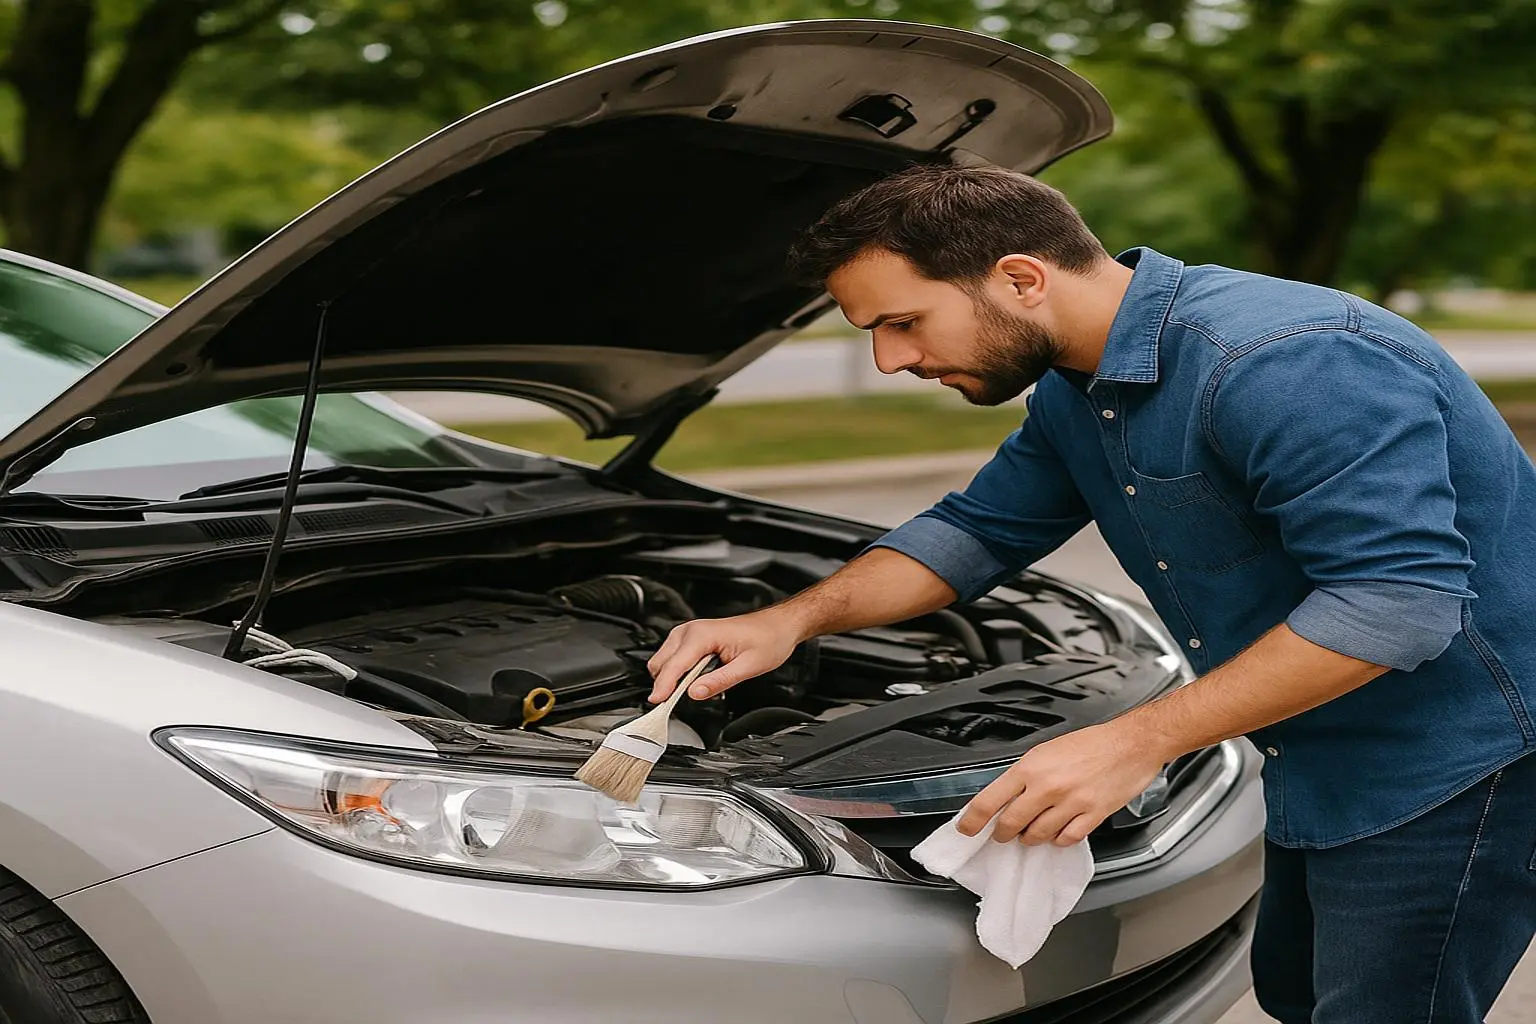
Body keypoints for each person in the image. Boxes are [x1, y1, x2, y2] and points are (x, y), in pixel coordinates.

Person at [646, 164, 1536, 1022]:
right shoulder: (1079, 387)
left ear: (1021, 277)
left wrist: (1132, 742)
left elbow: (1397, 602)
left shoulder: (1285, 362)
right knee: (1298, 996)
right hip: (1324, 750)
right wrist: (789, 620)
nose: (888, 360)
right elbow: (978, 531)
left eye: (904, 321)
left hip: (1464, 756)